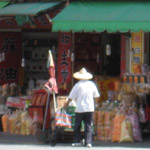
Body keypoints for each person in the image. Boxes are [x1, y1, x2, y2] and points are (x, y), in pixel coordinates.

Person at [66, 68, 100, 148]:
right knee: (88, 125)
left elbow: (71, 97)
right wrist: (96, 105)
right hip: (90, 108)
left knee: (77, 125)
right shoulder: (92, 84)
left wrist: (67, 103)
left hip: (80, 108)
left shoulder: (78, 85)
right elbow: (97, 96)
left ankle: (77, 141)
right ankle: (88, 142)